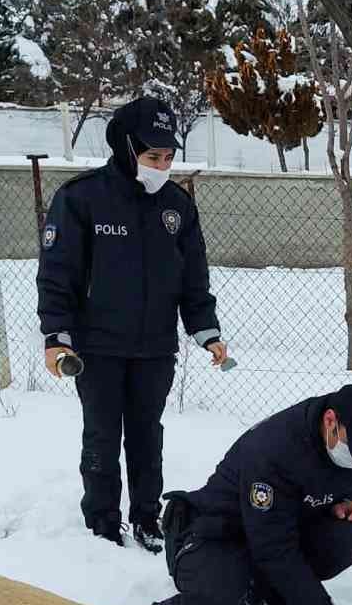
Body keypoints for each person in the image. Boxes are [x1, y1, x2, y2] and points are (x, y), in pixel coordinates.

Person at [36, 95, 228, 553]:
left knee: (147, 435)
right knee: (103, 434)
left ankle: (146, 516)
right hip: (96, 348)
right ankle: (102, 523)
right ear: (126, 149)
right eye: (151, 156)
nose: (161, 165)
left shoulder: (177, 207)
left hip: (155, 348)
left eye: (167, 157)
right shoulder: (82, 199)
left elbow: (193, 277)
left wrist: (208, 331)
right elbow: (57, 275)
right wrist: (56, 338)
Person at [140, 384, 352, 605]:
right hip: (215, 535)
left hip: (273, 531)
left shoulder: (345, 440)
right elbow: (274, 547)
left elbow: (349, 481)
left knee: (342, 542)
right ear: (330, 421)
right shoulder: (274, 450)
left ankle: (266, 600)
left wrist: (346, 502)